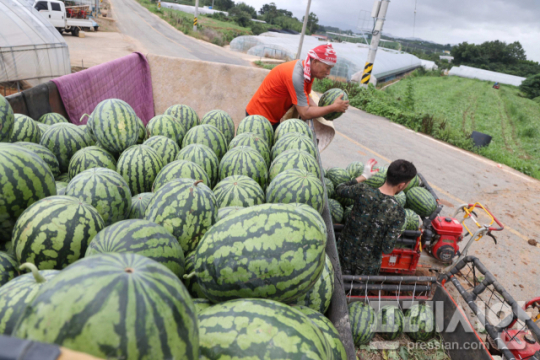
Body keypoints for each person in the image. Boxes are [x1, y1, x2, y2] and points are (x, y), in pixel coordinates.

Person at [335, 159, 418, 276]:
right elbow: (387, 248)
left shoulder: (363, 190)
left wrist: (364, 176)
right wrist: (396, 235)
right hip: (365, 271)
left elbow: (339, 189)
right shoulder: (398, 212)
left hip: (340, 258)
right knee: (356, 294)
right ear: (402, 185)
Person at [246, 43, 349, 130]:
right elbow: (305, 113)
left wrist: (320, 110)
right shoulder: (297, 76)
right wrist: (332, 107)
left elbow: (306, 97)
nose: (328, 72)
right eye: (327, 68)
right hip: (257, 119)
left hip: (272, 120)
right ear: (315, 62)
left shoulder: (308, 72)